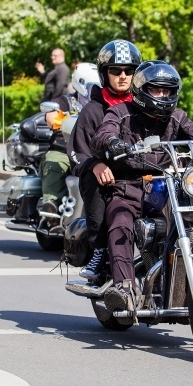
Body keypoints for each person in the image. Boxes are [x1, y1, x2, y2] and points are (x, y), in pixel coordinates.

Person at [92, 61, 193, 311]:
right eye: (157, 90)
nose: (163, 96)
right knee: (120, 219)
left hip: (166, 184)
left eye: (168, 91)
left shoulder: (177, 117)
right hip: (129, 185)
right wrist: (112, 142)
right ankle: (125, 288)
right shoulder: (121, 113)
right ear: (142, 89)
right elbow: (102, 133)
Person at [68, 39, 142, 281]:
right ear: (104, 73)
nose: (123, 76)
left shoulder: (145, 107)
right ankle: (99, 251)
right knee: (95, 177)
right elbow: (77, 152)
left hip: (141, 174)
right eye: (115, 71)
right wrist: (96, 164)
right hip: (109, 178)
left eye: (129, 71)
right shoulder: (93, 110)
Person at [38, 62, 101, 230]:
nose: (95, 89)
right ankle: (50, 204)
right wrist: (57, 120)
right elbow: (51, 115)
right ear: (80, 84)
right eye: (92, 86)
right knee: (54, 163)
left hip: (93, 151)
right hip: (64, 148)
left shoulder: (101, 104)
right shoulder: (67, 101)